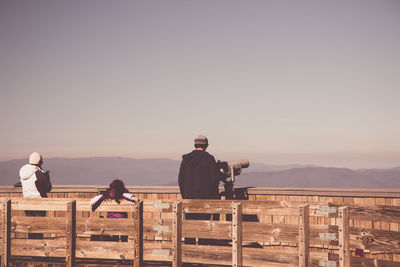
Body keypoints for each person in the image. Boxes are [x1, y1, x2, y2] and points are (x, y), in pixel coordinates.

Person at [19, 152, 52, 239]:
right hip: (38, 202)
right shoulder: (38, 172)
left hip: (26, 202)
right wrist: (46, 175)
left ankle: (30, 247)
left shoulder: (24, 171)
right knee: (38, 227)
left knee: (30, 227)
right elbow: (48, 187)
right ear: (40, 161)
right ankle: (37, 248)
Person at [178, 135, 222, 199]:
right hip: (206, 198)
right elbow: (214, 180)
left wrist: (184, 196)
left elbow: (181, 180)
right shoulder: (209, 158)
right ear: (206, 145)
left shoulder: (186, 159)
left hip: (188, 198)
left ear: (195, 145)